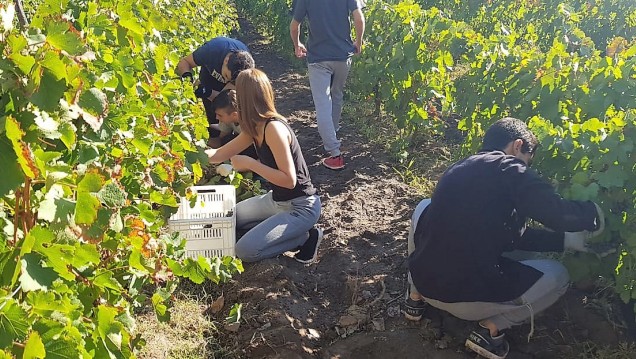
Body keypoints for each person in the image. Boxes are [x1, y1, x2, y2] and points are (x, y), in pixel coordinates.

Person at [405, 118, 605, 359]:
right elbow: (557, 213)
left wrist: (564, 241)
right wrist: (592, 214)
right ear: (517, 145)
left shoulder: (458, 168)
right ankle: (491, 329)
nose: (526, 167)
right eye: (527, 160)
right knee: (559, 275)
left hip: (425, 282)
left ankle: (414, 296)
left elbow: (510, 237)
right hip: (467, 302)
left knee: (424, 206)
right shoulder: (510, 168)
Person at [205, 68, 322, 263]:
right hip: (276, 201)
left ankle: (305, 238)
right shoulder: (253, 128)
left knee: (244, 251)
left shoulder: (273, 128)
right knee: (229, 217)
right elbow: (219, 154)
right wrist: (188, 155)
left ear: (245, 99)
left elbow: (289, 180)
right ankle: (274, 229)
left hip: (300, 207)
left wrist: (251, 163)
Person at [290, 0, 365, 170]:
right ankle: (332, 131)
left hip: (318, 58)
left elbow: (295, 26)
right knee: (337, 94)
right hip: (342, 56)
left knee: (323, 102)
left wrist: (297, 45)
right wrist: (358, 42)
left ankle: (335, 153)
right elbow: (359, 18)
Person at [176, 37, 255, 139]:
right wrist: (188, 79)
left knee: (223, 114)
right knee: (212, 117)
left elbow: (225, 100)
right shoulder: (212, 50)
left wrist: (209, 93)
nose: (226, 81)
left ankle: (224, 142)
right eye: (226, 76)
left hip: (224, 93)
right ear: (226, 60)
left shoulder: (244, 71)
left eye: (229, 80)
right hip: (208, 80)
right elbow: (185, 62)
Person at [208, 89, 258, 159]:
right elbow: (221, 139)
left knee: (229, 141)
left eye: (220, 115)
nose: (216, 118)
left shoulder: (249, 125)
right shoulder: (228, 119)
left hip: (256, 151)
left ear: (234, 115)